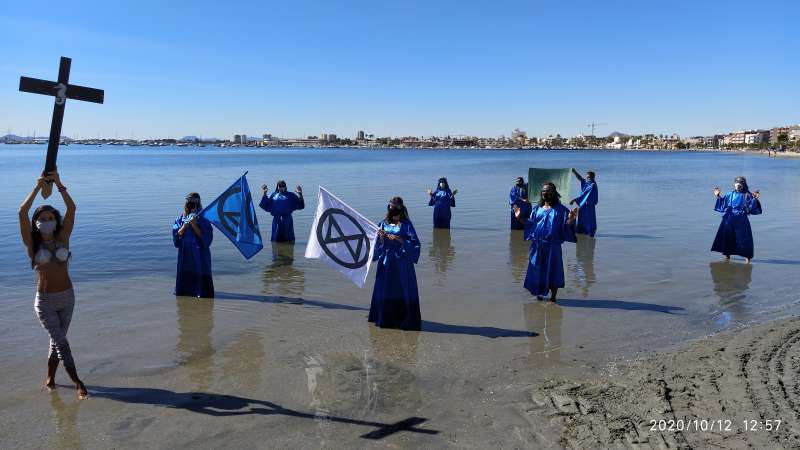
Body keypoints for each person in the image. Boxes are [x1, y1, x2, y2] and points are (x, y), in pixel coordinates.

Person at [18, 171, 88, 399]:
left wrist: (58, 184)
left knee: (55, 342)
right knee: (61, 342)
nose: (47, 221)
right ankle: (78, 382)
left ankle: (49, 378)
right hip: (45, 301)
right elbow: (22, 212)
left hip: (68, 298)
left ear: (56, 221)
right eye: (42, 219)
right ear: (36, 223)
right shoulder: (31, 243)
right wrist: (38, 187)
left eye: (50, 218)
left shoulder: (63, 238)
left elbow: (72, 209)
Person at [514, 182, 578, 302]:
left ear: (554, 193)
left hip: (553, 247)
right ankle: (539, 295)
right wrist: (519, 218)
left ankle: (553, 298)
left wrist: (570, 220)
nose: (545, 193)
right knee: (537, 270)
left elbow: (566, 227)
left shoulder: (561, 210)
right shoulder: (537, 209)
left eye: (548, 191)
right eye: (543, 191)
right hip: (537, 246)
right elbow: (530, 224)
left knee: (553, 270)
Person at [369, 197, 422, 330]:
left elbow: (416, 244)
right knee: (386, 288)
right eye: (390, 206)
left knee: (402, 288)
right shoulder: (383, 223)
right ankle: (385, 318)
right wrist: (381, 239)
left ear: (400, 208)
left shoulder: (406, 224)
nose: (392, 209)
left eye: (395, 207)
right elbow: (376, 246)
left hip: (402, 262)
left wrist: (401, 241)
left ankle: (404, 318)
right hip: (386, 262)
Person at [711, 176, 762, 263]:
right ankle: (727, 257)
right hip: (728, 219)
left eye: (740, 183)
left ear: (744, 184)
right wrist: (718, 196)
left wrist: (755, 199)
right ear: (734, 184)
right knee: (727, 237)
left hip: (742, 220)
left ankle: (747, 259)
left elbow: (752, 208)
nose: (738, 185)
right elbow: (723, 204)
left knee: (744, 238)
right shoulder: (729, 194)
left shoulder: (748, 195)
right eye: (736, 183)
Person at [173, 193, 214, 298]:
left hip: (199, 253)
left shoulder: (204, 219)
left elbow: (206, 238)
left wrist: (194, 224)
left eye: (193, 202)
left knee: (201, 275)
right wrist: (185, 224)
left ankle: (202, 294)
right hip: (185, 252)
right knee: (185, 276)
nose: (191, 205)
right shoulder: (180, 219)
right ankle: (184, 293)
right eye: (189, 202)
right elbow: (177, 235)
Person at [569, 169, 598, 237]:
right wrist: (574, 172)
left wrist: (574, 199)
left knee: (590, 219)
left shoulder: (592, 185)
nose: (588, 178)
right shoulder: (588, 183)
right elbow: (581, 179)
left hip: (589, 205)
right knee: (581, 219)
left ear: (593, 177)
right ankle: (581, 233)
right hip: (583, 204)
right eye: (587, 177)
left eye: (589, 177)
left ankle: (591, 234)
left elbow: (585, 194)